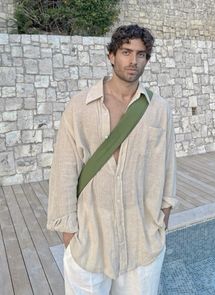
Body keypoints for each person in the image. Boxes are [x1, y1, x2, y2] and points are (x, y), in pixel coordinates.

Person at [47, 24, 177, 295]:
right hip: (90, 241)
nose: (133, 60)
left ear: (147, 59)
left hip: (142, 241)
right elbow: (63, 170)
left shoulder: (159, 110)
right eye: (126, 52)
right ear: (111, 56)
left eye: (140, 54)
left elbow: (167, 166)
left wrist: (162, 217)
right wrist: (69, 234)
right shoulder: (79, 107)